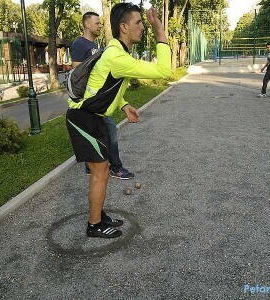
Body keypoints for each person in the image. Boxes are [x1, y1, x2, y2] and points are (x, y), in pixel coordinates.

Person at [65, 3, 171, 238]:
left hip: (94, 118)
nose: (143, 27)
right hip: (83, 118)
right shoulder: (116, 56)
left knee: (100, 171)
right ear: (124, 27)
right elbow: (165, 70)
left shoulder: (116, 51)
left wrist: (123, 104)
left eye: (143, 23)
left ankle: (98, 215)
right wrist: (160, 30)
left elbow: (104, 84)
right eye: (139, 23)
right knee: (100, 171)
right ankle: (94, 225)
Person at [71, 11, 134, 180]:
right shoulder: (79, 45)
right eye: (96, 23)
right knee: (111, 130)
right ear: (86, 25)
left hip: (98, 101)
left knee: (100, 132)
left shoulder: (96, 46)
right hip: (89, 102)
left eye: (99, 23)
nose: (99, 26)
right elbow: (78, 73)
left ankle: (91, 166)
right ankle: (115, 167)